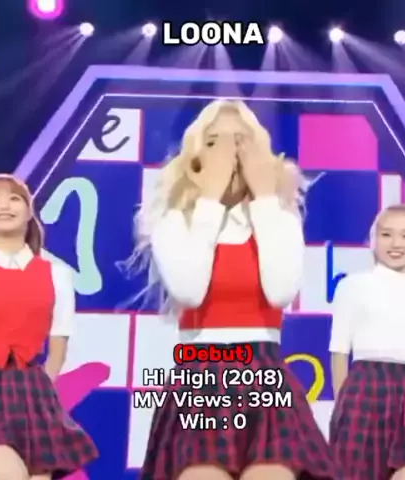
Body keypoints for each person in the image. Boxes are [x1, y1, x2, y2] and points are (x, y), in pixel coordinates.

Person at [135, 100, 337, 480]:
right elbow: (189, 290)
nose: (229, 155)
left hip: (264, 372)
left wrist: (265, 200)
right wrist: (209, 201)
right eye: (215, 143)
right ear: (196, 157)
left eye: (240, 143)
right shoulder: (175, 221)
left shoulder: (279, 220)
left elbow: (280, 292)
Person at [0, 174, 98, 480]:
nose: (4, 205)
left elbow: (58, 348)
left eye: (14, 198)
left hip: (32, 389)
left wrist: (41, 392)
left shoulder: (57, 274)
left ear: (30, 211)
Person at [329, 204, 405, 480]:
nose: (396, 244)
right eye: (386, 234)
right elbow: (339, 352)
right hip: (362, 391)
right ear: (374, 239)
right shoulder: (352, 286)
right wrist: (344, 405)